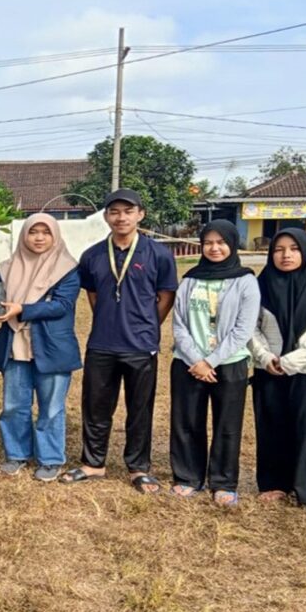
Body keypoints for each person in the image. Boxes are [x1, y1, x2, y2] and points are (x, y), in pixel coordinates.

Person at [63, 189, 178, 491]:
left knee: (139, 409)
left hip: (141, 345)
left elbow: (166, 295)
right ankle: (93, 463)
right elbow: (92, 293)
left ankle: (138, 468)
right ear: (106, 217)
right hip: (102, 343)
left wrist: (148, 325)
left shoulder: (159, 254)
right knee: (96, 407)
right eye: (114, 212)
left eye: (128, 211)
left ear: (141, 214)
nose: (121, 217)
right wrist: (108, 319)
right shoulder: (92, 255)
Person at [249, 229, 306, 522]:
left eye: (293, 249)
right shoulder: (258, 287)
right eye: (279, 249)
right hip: (269, 370)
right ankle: (275, 483)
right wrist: (265, 357)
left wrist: (293, 360)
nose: (286, 255)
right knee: (272, 426)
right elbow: (248, 327)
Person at [168, 220, 259, 506]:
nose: (214, 248)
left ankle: (223, 481)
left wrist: (211, 361)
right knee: (186, 421)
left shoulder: (245, 280)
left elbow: (243, 330)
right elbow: (179, 323)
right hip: (187, 363)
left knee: (227, 425)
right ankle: (187, 477)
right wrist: (197, 360)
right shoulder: (190, 279)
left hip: (230, 363)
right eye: (208, 242)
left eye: (221, 242)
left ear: (232, 244)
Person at [0, 213, 80, 483]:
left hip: (51, 347)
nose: (39, 238)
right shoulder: (6, 267)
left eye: (45, 232)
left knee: (51, 407)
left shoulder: (67, 267)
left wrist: (22, 309)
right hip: (14, 345)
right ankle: (16, 453)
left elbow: (62, 305)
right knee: (14, 405)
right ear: (23, 235)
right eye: (33, 232)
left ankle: (51, 459)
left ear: (55, 236)